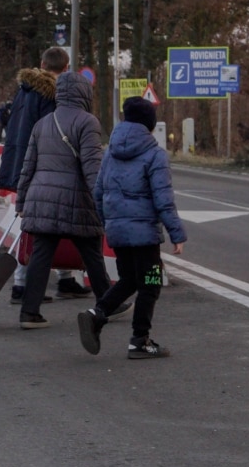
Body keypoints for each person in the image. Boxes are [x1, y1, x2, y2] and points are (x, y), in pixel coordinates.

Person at [78, 97, 186, 359]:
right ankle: (140, 340)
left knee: (128, 279)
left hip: (119, 232)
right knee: (150, 283)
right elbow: (163, 199)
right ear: (150, 125)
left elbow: (99, 192)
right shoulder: (154, 154)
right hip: (144, 236)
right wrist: (176, 233)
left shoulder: (111, 152)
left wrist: (109, 223)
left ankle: (97, 314)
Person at [14, 71, 112, 329]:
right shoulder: (87, 122)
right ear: (83, 93)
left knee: (41, 255)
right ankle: (107, 303)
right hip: (75, 200)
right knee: (91, 252)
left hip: (41, 198)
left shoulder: (43, 123)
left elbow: (28, 166)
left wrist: (22, 202)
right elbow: (93, 169)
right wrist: (102, 203)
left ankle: (30, 312)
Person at [0, 48, 92, 303]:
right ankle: (23, 285)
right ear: (67, 66)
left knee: (38, 225)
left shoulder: (23, 91)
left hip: (20, 163)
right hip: (45, 167)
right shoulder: (55, 95)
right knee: (50, 225)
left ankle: (62, 279)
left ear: (41, 64)